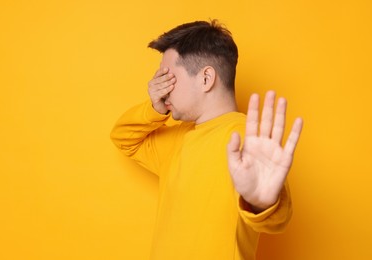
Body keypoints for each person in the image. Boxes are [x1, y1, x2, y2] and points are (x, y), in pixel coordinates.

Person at [110, 20, 303, 260]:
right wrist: (154, 109)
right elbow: (124, 138)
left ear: (205, 79)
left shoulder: (245, 138)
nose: (160, 88)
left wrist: (261, 203)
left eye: (168, 77)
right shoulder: (179, 138)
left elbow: (277, 220)